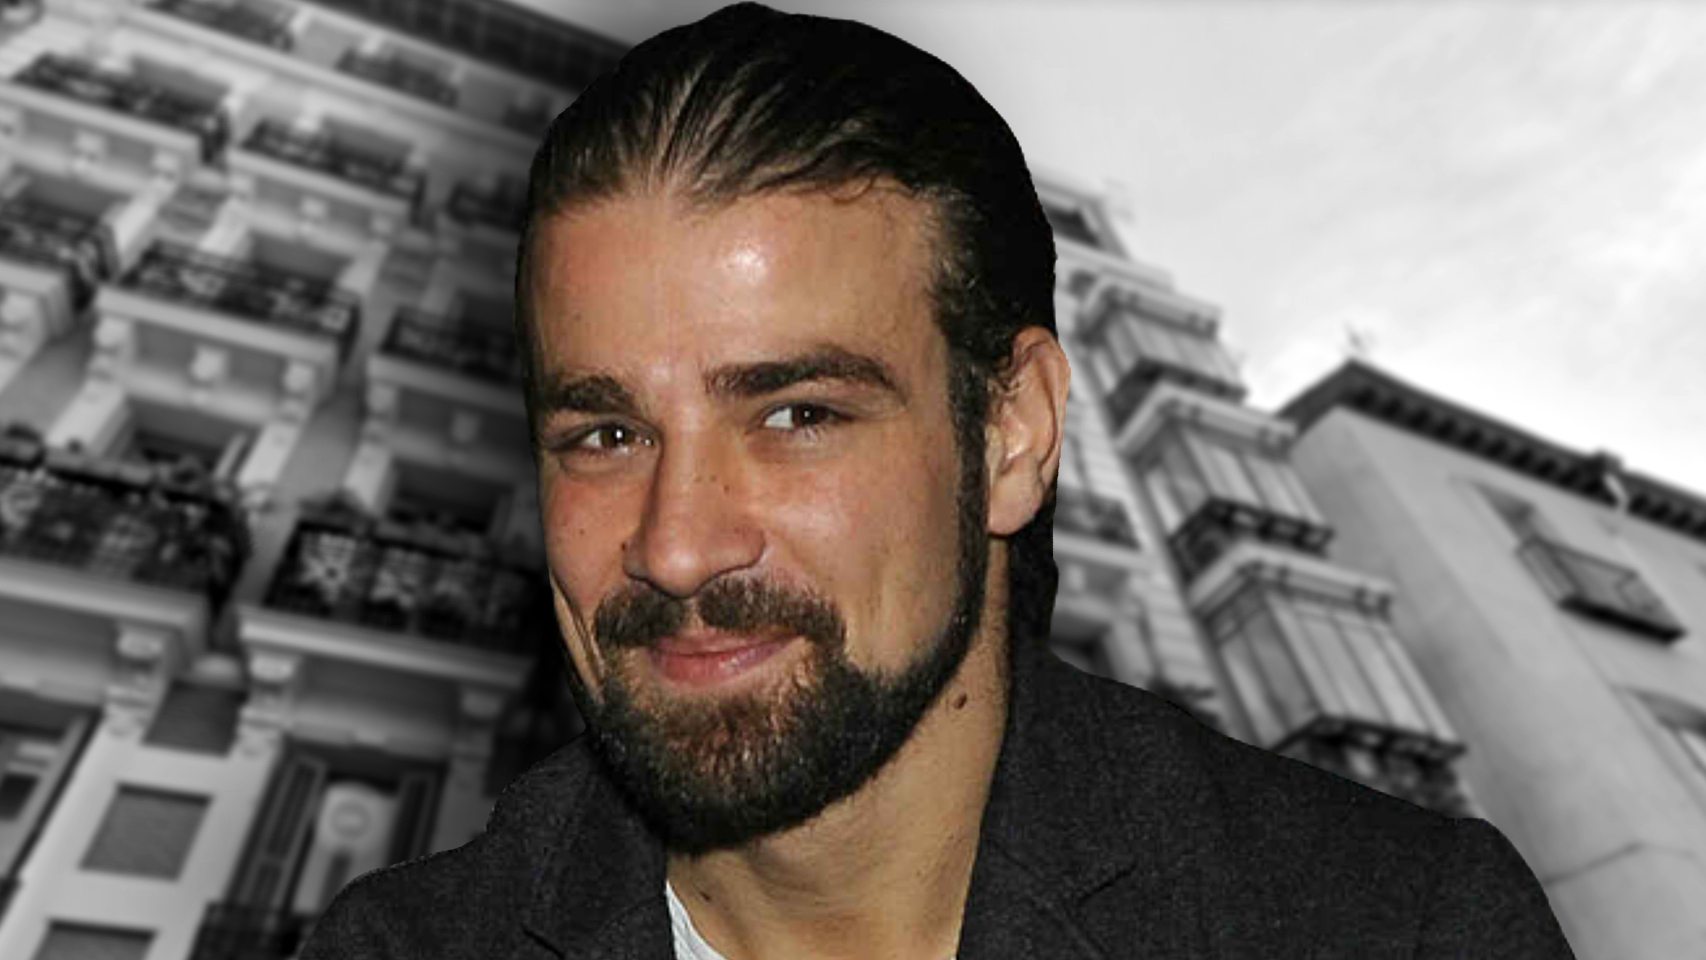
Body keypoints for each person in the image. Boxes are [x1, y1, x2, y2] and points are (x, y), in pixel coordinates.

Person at [303, 4, 1575, 958]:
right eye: (603, 436)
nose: (675, 545)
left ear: (1011, 435)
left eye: (796, 414)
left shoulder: (1389, 924)